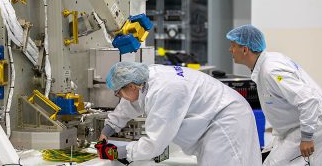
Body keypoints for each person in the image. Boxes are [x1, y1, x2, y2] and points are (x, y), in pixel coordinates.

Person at [97, 61, 262, 165]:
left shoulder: (164, 90)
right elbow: (130, 103)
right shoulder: (148, 77)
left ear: (131, 86)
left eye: (118, 93)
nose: (119, 98)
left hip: (226, 121)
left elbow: (155, 143)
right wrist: (107, 130)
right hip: (217, 117)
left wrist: (118, 152)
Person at [226, 24, 322, 166]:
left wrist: (307, 137)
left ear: (245, 49)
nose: (230, 50)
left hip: (315, 123)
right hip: (300, 124)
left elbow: (308, 100)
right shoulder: (266, 64)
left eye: (233, 45)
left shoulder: (272, 71)